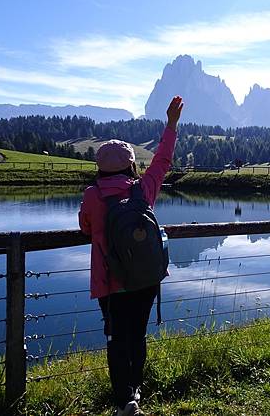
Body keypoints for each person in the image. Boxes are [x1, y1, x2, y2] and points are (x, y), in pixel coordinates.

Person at [79, 96, 183, 416]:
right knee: (137, 334)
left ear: (100, 167)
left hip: (111, 281)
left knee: (115, 336)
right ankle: (136, 392)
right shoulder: (143, 189)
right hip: (145, 277)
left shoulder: (93, 196)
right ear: (130, 165)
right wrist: (171, 124)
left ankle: (125, 400)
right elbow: (163, 161)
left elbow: (85, 227)